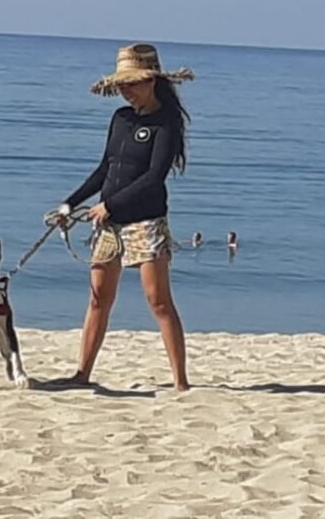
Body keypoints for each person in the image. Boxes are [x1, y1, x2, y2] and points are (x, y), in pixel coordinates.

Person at [54, 43, 195, 391]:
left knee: (158, 300)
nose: (125, 90)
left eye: (131, 83)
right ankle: (82, 374)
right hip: (109, 224)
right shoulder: (120, 119)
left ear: (151, 81)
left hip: (145, 221)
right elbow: (105, 169)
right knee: (98, 297)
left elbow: (153, 177)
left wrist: (110, 205)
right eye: (121, 85)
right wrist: (70, 204)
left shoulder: (167, 122)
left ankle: (180, 382)